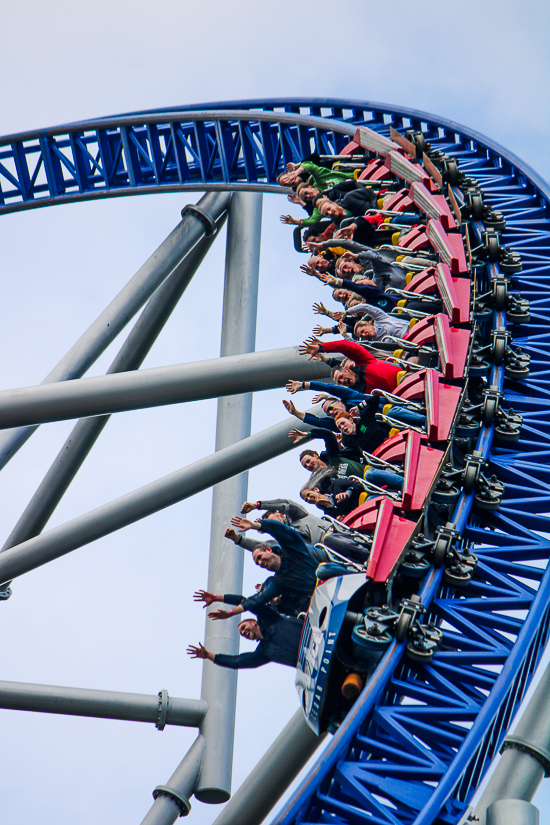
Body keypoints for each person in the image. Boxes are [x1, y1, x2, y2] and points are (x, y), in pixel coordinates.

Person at [187, 601, 303, 670]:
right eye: (241, 634)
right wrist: (208, 655)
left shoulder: (270, 618)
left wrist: (227, 608)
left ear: (253, 622)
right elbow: (237, 662)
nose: (243, 632)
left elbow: (249, 602)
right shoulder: (264, 652)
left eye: (243, 627)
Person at [299, 337, 402, 394]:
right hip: (403, 396)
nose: (343, 381)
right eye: (340, 382)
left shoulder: (364, 362)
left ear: (347, 369)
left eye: (341, 377)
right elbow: (331, 389)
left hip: (406, 378)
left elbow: (345, 346)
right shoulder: (359, 393)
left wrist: (321, 347)